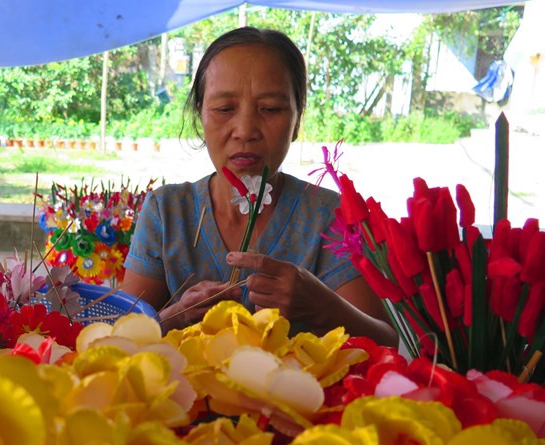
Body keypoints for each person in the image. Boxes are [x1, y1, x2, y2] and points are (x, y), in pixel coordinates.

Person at [122, 27, 398, 347]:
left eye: (270, 109)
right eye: (225, 109)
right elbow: (124, 337)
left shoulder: (328, 216)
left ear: (296, 121)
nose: (245, 130)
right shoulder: (167, 212)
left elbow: (387, 342)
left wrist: (324, 307)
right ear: (200, 116)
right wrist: (175, 317)